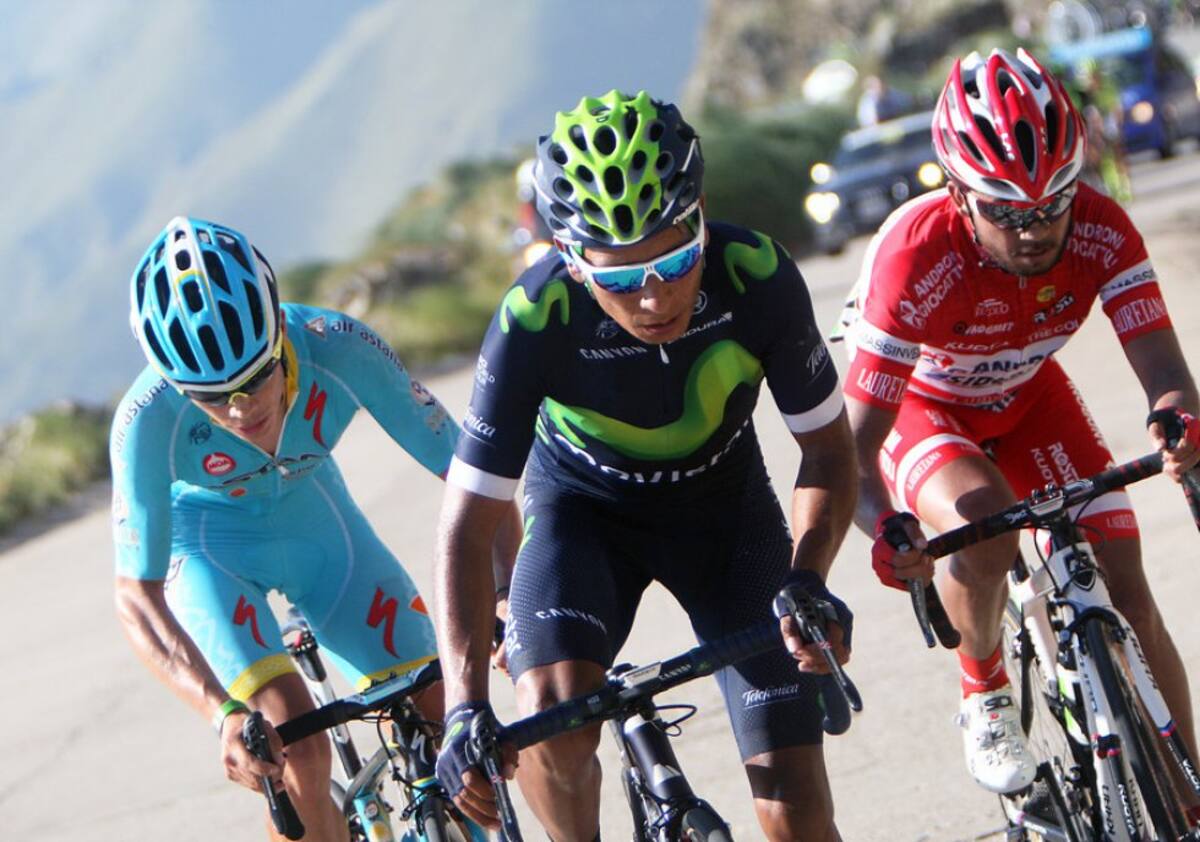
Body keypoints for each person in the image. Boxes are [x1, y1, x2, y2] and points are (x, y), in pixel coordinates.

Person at [431, 89, 858, 842]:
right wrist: (464, 705)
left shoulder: (755, 274)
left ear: (701, 218)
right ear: (570, 260)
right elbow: (466, 527)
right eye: (622, 279)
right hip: (583, 518)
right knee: (551, 716)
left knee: (795, 805)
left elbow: (828, 449)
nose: (655, 298)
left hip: (728, 517)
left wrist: (809, 577)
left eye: (676, 261)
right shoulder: (534, 319)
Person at [839, 48, 1200, 802]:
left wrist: (1179, 425)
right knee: (986, 524)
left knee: (1130, 591)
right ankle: (985, 690)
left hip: (1030, 398)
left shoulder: (1102, 227)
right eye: (1005, 212)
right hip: (925, 407)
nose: (1034, 229)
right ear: (958, 193)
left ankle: (1189, 800)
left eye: (1052, 203)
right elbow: (853, 451)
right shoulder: (914, 256)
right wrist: (888, 530)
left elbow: (1166, 373)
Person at [111, 216, 519, 840]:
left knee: (445, 716)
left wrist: (507, 592)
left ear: (280, 333)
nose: (241, 409)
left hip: (319, 525)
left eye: (256, 378)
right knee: (294, 750)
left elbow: (474, 476)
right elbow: (135, 594)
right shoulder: (145, 421)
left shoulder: (338, 346)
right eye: (211, 397)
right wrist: (222, 713)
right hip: (211, 553)